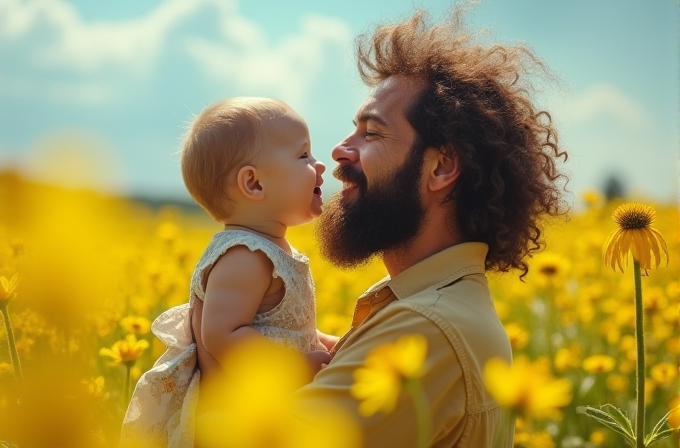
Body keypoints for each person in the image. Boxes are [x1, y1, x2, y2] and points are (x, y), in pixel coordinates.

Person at [292, 8, 569, 448]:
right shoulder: (435, 308)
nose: (341, 151)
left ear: (441, 167)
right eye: (353, 130)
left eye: (373, 133)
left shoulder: (425, 328)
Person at [120, 97, 335, 448]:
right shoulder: (244, 255)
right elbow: (223, 334)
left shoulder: (271, 250)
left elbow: (284, 326)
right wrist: (293, 368)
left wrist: (326, 343)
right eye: (304, 156)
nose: (320, 165)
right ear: (254, 184)